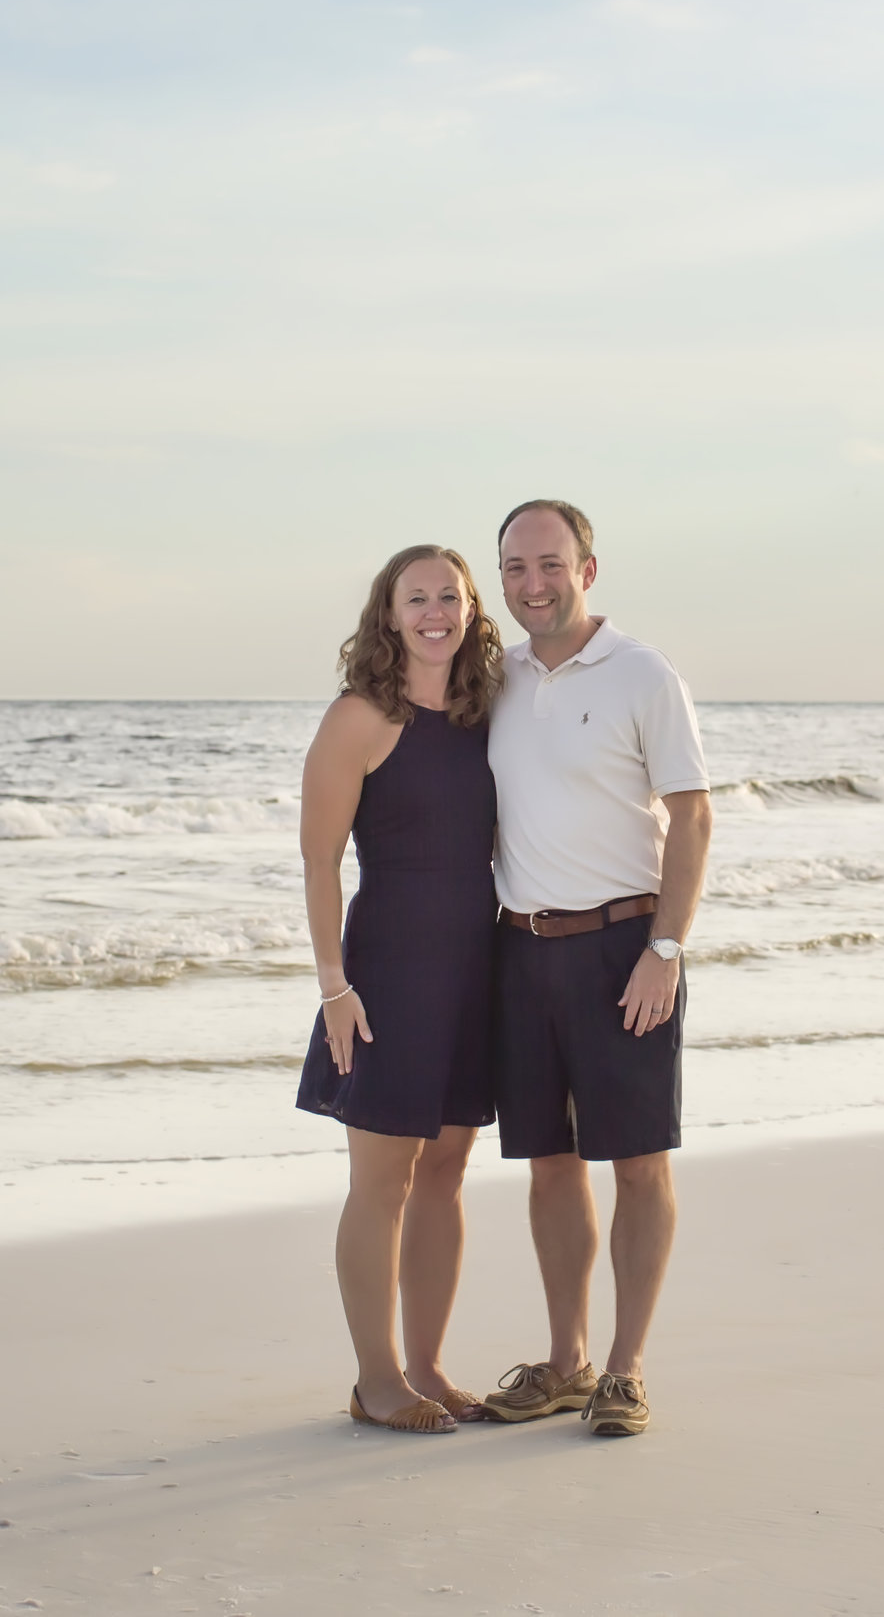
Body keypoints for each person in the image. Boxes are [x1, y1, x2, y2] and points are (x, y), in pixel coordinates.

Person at [477, 500, 713, 1438]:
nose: (533, 583)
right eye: (515, 568)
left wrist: (665, 948)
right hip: (520, 949)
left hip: (626, 950)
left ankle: (626, 1370)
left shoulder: (643, 675)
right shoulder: (490, 679)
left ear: (588, 568)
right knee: (548, 1165)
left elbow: (692, 816)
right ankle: (567, 1363)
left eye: (550, 564)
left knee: (640, 1165)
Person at [296, 544, 503, 1434]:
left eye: (448, 597)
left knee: (446, 1173)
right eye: (414, 598)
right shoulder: (359, 717)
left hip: (476, 966)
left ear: (470, 610)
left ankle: (426, 1367)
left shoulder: (484, 713)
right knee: (381, 1179)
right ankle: (375, 1379)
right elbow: (317, 859)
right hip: (387, 972)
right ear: (388, 614)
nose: (433, 612)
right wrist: (334, 986)